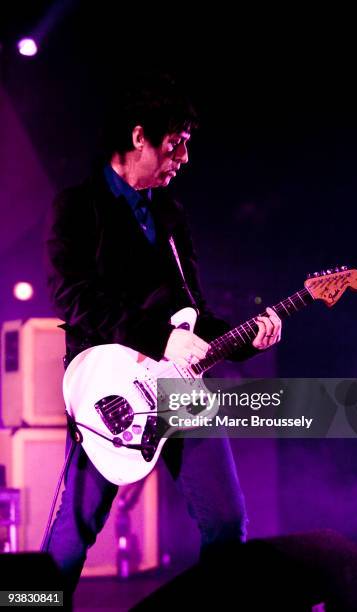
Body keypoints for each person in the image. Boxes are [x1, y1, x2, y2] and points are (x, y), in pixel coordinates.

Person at [44, 73, 282, 595]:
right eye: (175, 145)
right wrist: (157, 338)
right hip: (111, 394)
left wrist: (249, 340)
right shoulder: (80, 208)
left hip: (179, 389)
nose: (184, 159)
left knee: (226, 523)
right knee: (74, 531)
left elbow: (194, 314)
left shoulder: (171, 214)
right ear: (138, 139)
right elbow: (75, 297)